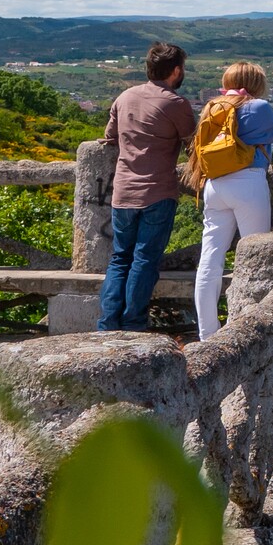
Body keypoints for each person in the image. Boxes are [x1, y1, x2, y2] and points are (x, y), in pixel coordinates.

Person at [97, 41, 195, 332]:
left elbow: (110, 135)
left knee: (120, 258)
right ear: (176, 71)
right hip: (158, 192)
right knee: (144, 260)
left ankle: (107, 323)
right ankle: (133, 323)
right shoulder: (176, 104)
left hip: (123, 191)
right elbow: (194, 146)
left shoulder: (125, 97)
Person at [191, 61, 273, 341]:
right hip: (248, 181)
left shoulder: (212, 107)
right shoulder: (259, 108)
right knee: (257, 257)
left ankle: (207, 334)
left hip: (215, 184)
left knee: (210, 259)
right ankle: (250, 326)